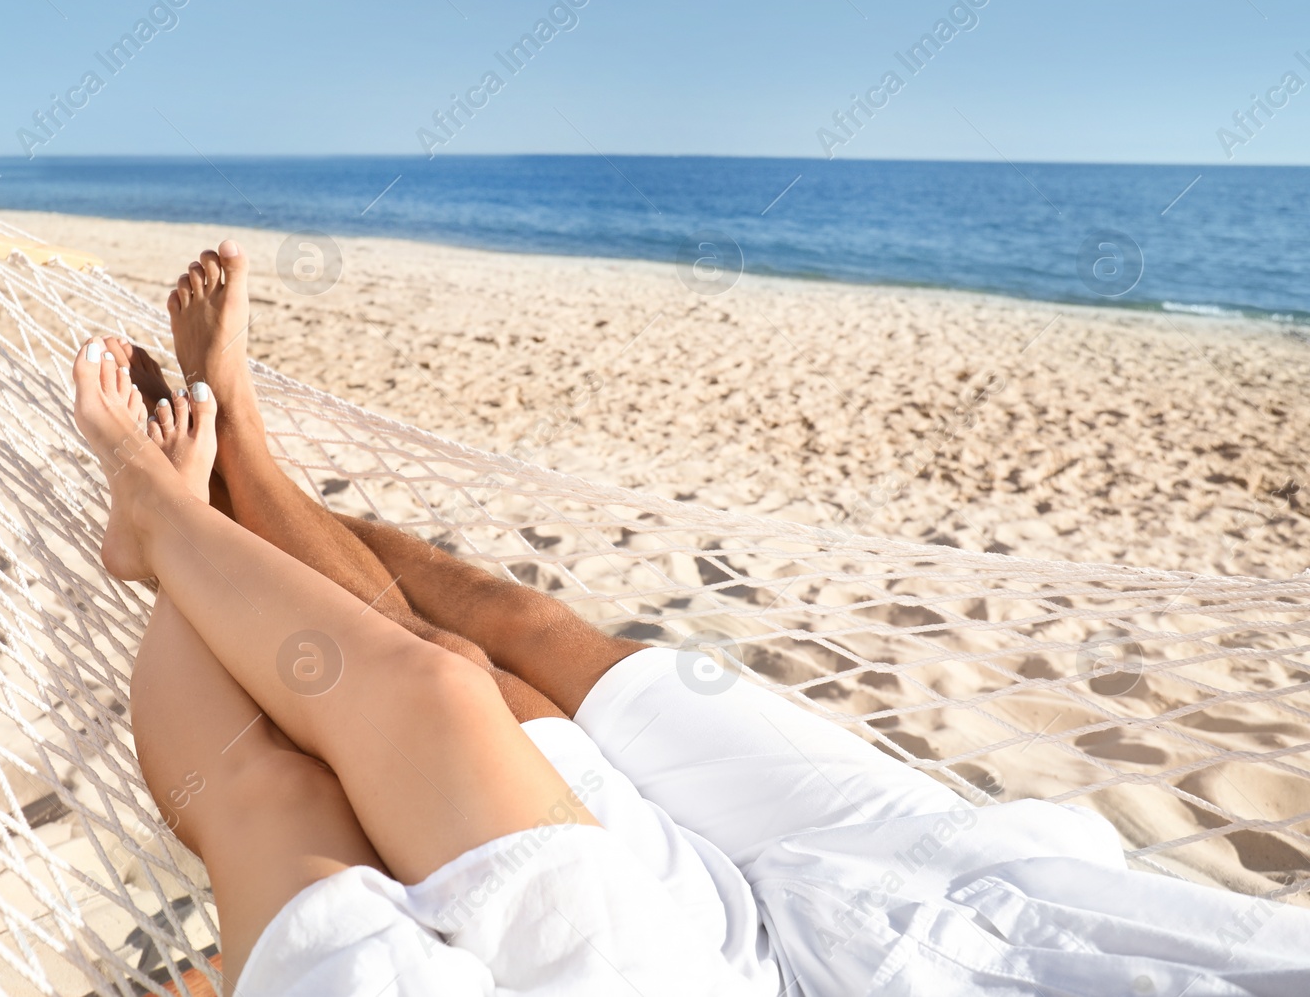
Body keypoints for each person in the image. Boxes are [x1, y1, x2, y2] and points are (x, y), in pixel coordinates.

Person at [79, 241, 1310, 996]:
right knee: (528, 623)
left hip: (758, 976)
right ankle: (245, 451)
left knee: (461, 673)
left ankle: (207, 512)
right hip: (994, 881)